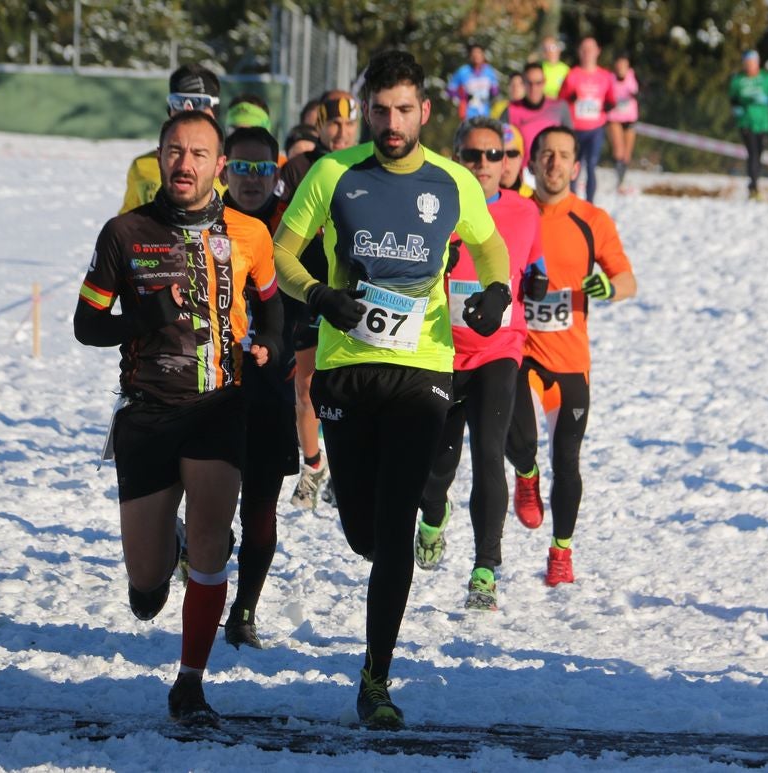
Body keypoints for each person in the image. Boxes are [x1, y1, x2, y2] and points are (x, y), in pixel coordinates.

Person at [272, 49, 512, 728]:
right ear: (366, 108)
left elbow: (490, 247)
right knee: (362, 532)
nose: (392, 122)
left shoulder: (453, 181)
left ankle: (375, 678)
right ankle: (375, 538)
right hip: (346, 364)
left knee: (397, 525)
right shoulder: (333, 173)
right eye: (380, 110)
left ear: (426, 112)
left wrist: (496, 291)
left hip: (423, 365)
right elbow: (283, 254)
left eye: (405, 110)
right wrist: (320, 293)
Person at [74, 111, 282, 727]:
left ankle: (190, 682)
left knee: (217, 528)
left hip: (219, 405)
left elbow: (272, 310)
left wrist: (268, 344)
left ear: (219, 165)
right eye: (174, 151)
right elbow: (87, 326)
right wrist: (143, 318)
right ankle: (169, 553)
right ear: (159, 157)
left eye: (198, 154)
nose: (184, 164)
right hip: (146, 411)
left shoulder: (249, 234)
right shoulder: (124, 233)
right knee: (145, 590)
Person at [415, 116, 547, 611]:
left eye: (496, 155)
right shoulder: (432, 208)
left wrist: (535, 283)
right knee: (436, 469)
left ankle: (485, 570)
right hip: (441, 351)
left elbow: (536, 268)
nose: (486, 165)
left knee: (489, 453)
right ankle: (432, 515)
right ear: (456, 159)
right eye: (474, 155)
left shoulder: (523, 212)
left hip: (498, 352)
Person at [505, 125, 637, 588]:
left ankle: (561, 551)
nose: (554, 163)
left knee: (568, 460)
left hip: (570, 361)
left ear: (576, 167)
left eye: (563, 155)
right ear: (533, 161)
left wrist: (609, 288)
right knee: (515, 435)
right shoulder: (517, 212)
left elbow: (627, 279)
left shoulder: (592, 220)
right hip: (521, 352)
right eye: (546, 154)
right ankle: (525, 473)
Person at [217, 127, 306, 648]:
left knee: (261, 508)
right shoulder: (204, 220)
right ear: (225, 168)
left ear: (276, 171)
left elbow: (312, 288)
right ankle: (199, 547)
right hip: (210, 385)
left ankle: (244, 611)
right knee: (210, 504)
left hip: (270, 384)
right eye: (242, 169)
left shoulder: (293, 227)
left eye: (262, 169)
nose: (251, 180)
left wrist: (298, 343)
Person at [275, 90, 362, 510]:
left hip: (360, 294)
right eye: (334, 124)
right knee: (306, 386)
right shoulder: (299, 169)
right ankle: (313, 466)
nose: (342, 132)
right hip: (309, 290)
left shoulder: (371, 165)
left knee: (355, 388)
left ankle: (353, 468)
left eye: (349, 124)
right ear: (320, 125)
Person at [119, 64, 223, 214]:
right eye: (179, 102)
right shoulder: (142, 167)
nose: (188, 109)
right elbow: (126, 226)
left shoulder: (236, 171)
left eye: (199, 102)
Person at [560, 37, 616, 202]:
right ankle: (572, 202)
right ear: (579, 52)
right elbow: (560, 99)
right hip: (575, 129)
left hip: (595, 129)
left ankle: (590, 203)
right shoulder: (572, 75)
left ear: (598, 51)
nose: (587, 53)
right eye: (584, 49)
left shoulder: (605, 76)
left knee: (591, 166)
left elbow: (611, 99)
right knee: (574, 167)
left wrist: (609, 105)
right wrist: (570, 97)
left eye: (590, 49)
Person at [729, 50, 768, 200]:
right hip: (746, 122)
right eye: (747, 63)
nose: (750, 66)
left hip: (764, 123)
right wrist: (736, 108)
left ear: (757, 63)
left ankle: (754, 184)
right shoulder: (738, 80)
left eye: (752, 63)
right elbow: (733, 99)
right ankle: (753, 187)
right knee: (752, 153)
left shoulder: (767, 78)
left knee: (759, 154)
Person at [505, 62, 572, 174]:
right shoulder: (511, 110)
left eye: (538, 83)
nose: (533, 88)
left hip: (553, 171)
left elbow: (570, 143)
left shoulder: (559, 107)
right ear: (523, 83)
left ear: (544, 82)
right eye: (529, 83)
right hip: (523, 173)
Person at [606, 53, 639, 193]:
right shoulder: (610, 78)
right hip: (614, 118)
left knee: (626, 154)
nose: (621, 67)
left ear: (627, 66)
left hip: (630, 118)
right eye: (618, 64)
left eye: (623, 64)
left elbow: (639, 91)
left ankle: (622, 180)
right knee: (618, 151)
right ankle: (619, 182)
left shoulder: (632, 77)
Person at [447, 43, 501, 120]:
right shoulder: (463, 71)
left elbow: (496, 91)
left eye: (479, 53)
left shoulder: (489, 71)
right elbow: (450, 90)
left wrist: (492, 94)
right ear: (470, 56)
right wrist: (462, 97)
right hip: (468, 115)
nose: (476, 56)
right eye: (473, 53)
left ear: (483, 55)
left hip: (486, 114)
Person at [499, 123, 534, 196]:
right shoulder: (476, 199)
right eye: (497, 154)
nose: (504, 161)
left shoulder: (534, 200)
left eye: (512, 153)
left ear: (521, 158)